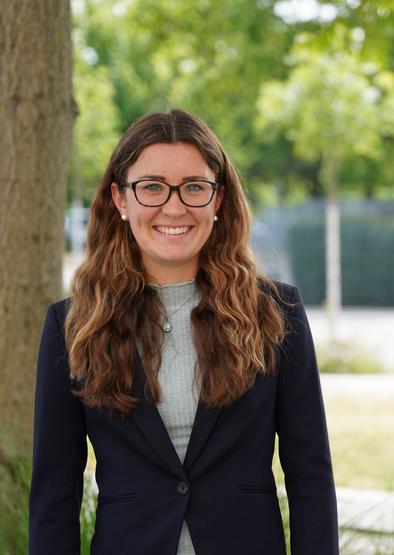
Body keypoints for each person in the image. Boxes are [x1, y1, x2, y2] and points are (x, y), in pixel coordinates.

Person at [29, 109, 338, 554]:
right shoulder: (73, 325)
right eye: (151, 187)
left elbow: (311, 476)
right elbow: (54, 495)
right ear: (120, 199)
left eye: (194, 187)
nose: (173, 207)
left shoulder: (276, 313)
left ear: (217, 198)